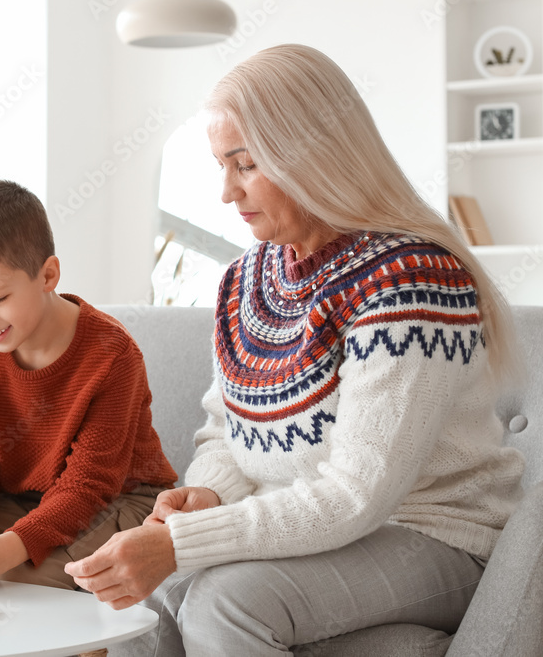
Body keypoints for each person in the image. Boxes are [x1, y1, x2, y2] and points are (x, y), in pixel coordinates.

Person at [65, 44, 526, 655]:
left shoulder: (410, 280)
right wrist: (209, 494)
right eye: (220, 166)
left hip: (433, 535)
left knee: (224, 604)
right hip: (319, 528)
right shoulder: (245, 280)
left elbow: (355, 495)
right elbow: (227, 433)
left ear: (312, 154)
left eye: (246, 164)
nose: (227, 192)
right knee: (144, 601)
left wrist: (182, 544)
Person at [0, 180, 178, 593]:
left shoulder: (112, 355)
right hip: (29, 502)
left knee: (14, 581)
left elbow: (88, 487)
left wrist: (7, 550)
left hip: (121, 499)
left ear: (48, 275)